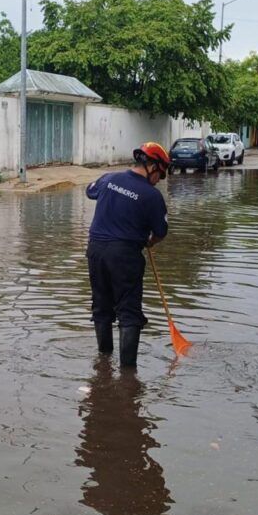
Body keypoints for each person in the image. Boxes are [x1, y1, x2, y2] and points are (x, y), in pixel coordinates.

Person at [85, 142, 170, 369]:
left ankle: (104, 361)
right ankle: (128, 375)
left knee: (101, 307)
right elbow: (161, 233)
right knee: (128, 311)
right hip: (124, 256)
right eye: (160, 174)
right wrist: (148, 243)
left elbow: (89, 190)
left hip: (95, 251)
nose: (160, 179)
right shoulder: (152, 196)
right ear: (152, 166)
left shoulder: (108, 179)